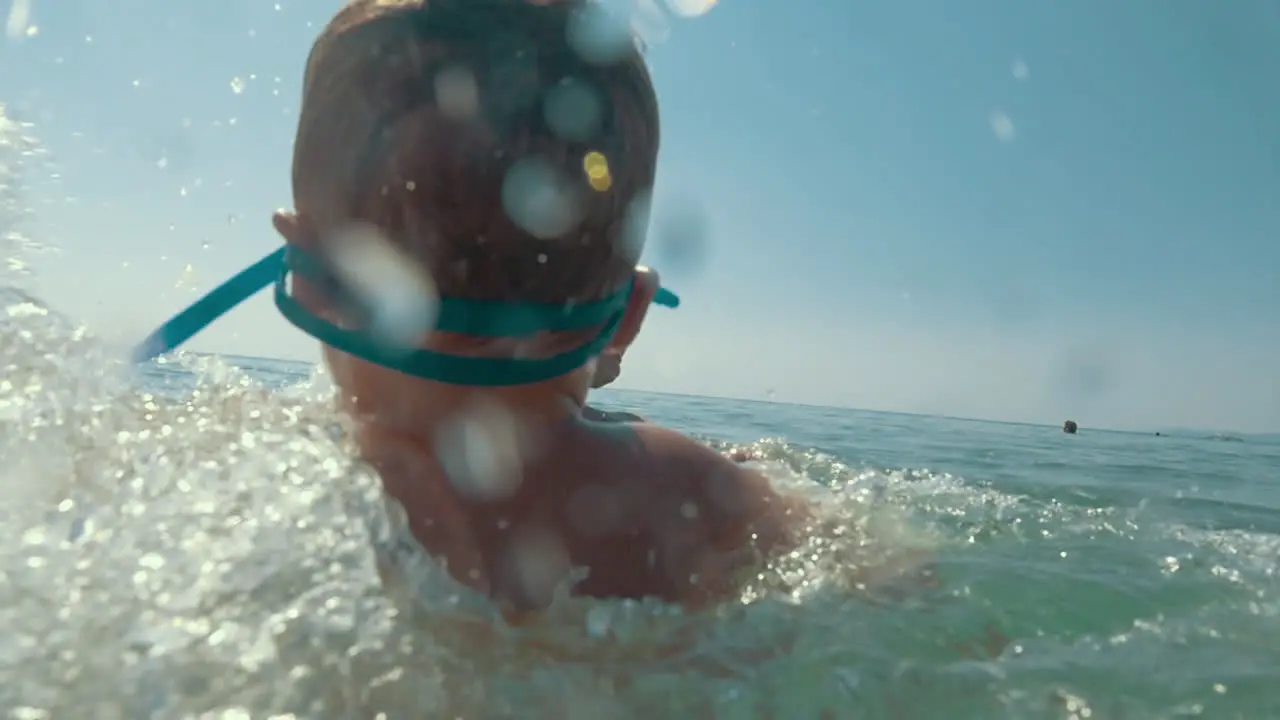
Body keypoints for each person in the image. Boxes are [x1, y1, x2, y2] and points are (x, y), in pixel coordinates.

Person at [266, 0, 808, 614]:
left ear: (307, 277)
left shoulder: (266, 470)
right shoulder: (705, 497)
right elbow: (899, 576)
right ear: (631, 313)